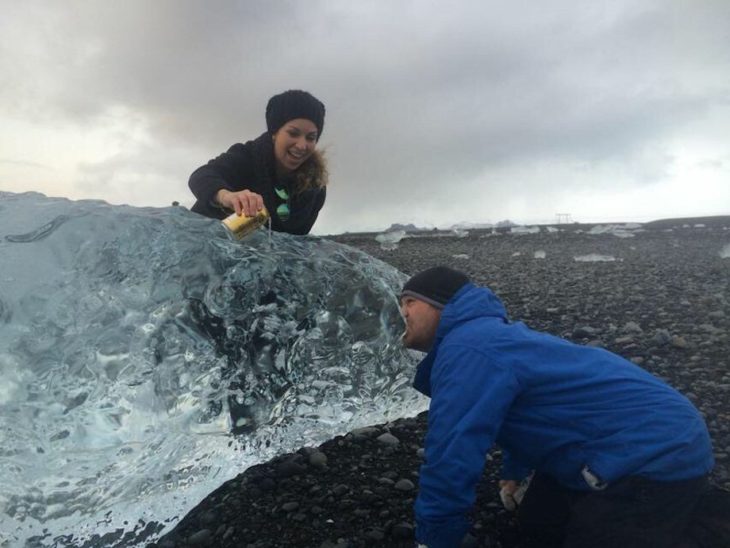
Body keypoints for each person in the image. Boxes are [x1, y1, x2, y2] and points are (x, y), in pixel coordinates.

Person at [399, 266, 720, 548]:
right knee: (538, 527)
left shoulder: (470, 349)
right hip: (631, 433)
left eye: (410, 301)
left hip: (657, 450)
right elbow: (523, 411)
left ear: (440, 304)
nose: (403, 312)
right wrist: (514, 471)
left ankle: (707, 521)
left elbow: (452, 451)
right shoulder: (486, 339)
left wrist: (434, 538)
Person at [188, 89, 327, 235]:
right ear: (274, 132)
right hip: (198, 241)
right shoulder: (246, 156)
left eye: (310, 138)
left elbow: (299, 240)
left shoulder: (316, 189)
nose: (301, 145)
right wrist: (226, 196)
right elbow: (201, 176)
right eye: (293, 134)